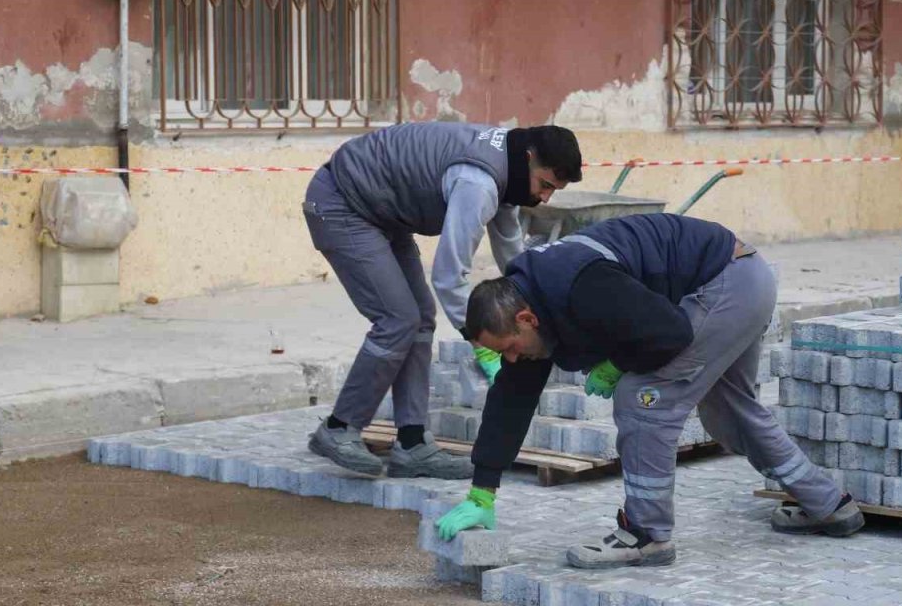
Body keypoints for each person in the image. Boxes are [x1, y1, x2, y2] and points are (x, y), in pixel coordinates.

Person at [435, 213, 864, 567]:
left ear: (526, 320)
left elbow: (669, 333)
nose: (511, 359)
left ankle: (647, 534)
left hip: (725, 284)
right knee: (728, 411)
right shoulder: (529, 303)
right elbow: (511, 397)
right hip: (741, 275)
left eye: (509, 348)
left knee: (644, 400)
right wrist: (482, 490)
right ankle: (829, 505)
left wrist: (617, 363)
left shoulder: (579, 285)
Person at [303, 122, 582, 478]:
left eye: (553, 191)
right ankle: (339, 428)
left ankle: (412, 443)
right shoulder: (478, 184)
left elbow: (512, 252)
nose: (545, 198)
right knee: (397, 319)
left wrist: (543, 303)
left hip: (386, 213)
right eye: (545, 185)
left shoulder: (509, 172)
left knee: (420, 317)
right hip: (343, 204)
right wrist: (482, 339)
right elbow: (449, 276)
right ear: (529, 158)